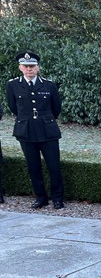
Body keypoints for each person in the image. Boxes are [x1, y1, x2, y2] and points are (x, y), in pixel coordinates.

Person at [5, 51, 64, 209]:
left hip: (47, 130)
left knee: (54, 166)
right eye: (26, 66)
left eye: (32, 66)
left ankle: (57, 198)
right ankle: (41, 197)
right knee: (33, 167)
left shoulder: (49, 85)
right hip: (26, 131)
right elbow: (13, 107)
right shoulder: (12, 85)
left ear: (38, 67)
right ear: (20, 68)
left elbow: (56, 108)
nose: (29, 69)